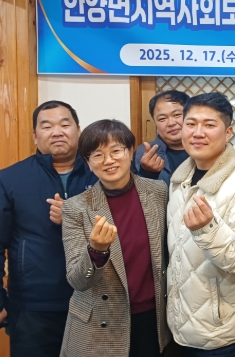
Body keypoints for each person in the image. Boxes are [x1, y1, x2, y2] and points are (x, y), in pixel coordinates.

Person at [0, 100, 97, 357]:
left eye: (64, 124)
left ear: (78, 130)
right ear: (35, 136)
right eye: (46, 126)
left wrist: (75, 217)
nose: (56, 132)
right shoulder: (10, 179)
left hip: (95, 301)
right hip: (32, 308)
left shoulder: (101, 174)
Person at [166, 92, 235, 356]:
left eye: (209, 125)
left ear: (228, 132)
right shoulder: (179, 180)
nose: (198, 132)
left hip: (220, 332)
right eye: (191, 124)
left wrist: (209, 230)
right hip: (179, 326)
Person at [60, 119, 170, 357]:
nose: (108, 160)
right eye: (97, 155)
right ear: (89, 164)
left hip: (153, 318)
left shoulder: (158, 192)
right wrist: (96, 251)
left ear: (130, 152)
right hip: (98, 324)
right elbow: (77, 281)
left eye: (116, 151)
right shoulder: (75, 208)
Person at [132, 90, 190, 185]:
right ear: (155, 122)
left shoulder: (206, 148)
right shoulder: (143, 154)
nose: (171, 123)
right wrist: (147, 173)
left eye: (177, 115)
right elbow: (135, 191)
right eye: (162, 119)